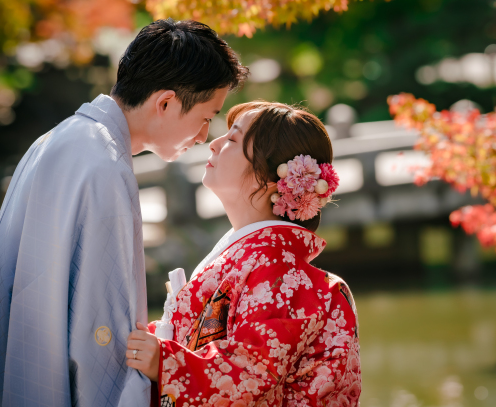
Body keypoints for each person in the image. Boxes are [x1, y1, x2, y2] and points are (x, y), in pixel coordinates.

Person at [0, 19, 249, 407]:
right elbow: (103, 331)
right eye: (205, 117)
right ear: (165, 102)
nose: (203, 136)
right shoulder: (106, 168)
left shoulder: (56, 139)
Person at [125, 101, 362, 407]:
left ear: (266, 179)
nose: (213, 143)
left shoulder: (278, 271)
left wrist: (165, 361)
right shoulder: (258, 259)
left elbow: (251, 374)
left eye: (232, 140)